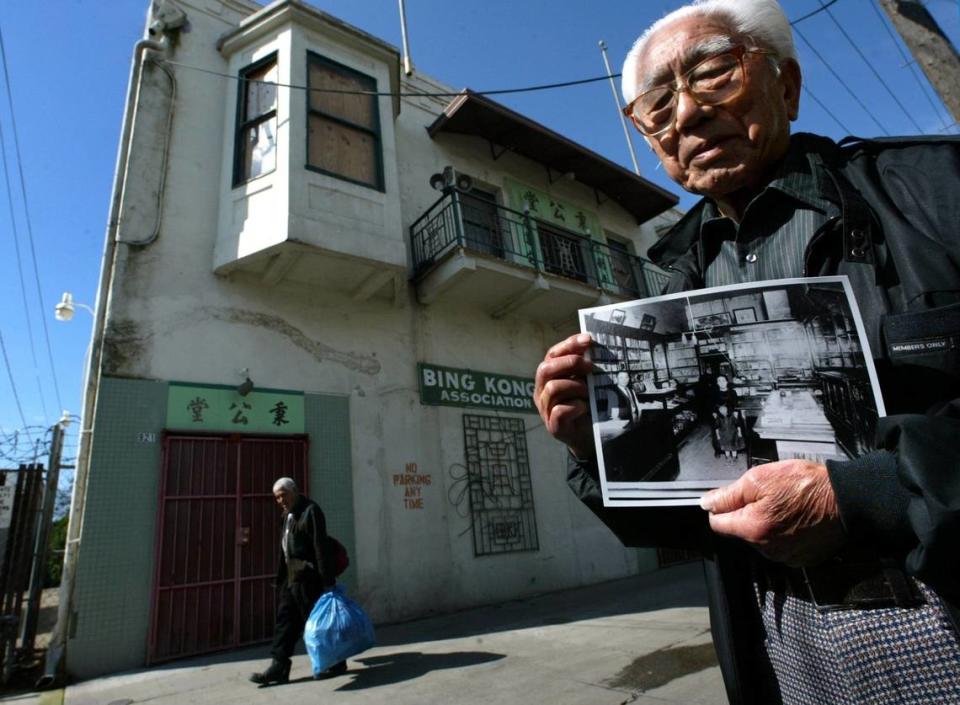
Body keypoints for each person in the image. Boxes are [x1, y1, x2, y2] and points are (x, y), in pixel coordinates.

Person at [533, 1, 960, 702]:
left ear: (786, 86)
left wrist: (869, 492)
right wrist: (596, 450)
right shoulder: (671, 285)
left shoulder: (935, 191)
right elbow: (690, 520)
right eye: (657, 104)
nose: (689, 114)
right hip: (784, 640)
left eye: (712, 73)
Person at [250, 477, 346, 685]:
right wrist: (280, 578)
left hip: (309, 579)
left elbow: (320, 547)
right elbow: (284, 549)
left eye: (283, 496)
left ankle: (337, 661)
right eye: (277, 498)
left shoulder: (311, 511)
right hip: (291, 579)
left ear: (294, 491)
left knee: (319, 624)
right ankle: (279, 666)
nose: (280, 501)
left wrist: (327, 582)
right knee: (284, 622)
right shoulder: (287, 515)